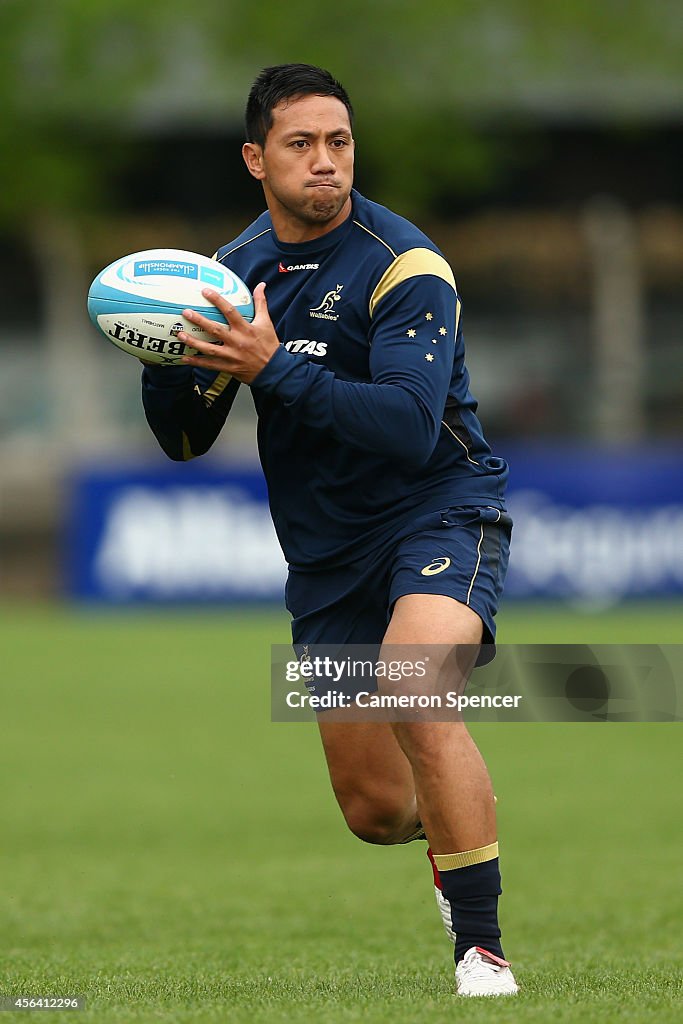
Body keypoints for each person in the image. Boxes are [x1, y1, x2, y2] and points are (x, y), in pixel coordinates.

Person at [141, 63, 518, 997]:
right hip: (326, 551)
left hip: (438, 507)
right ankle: (454, 825)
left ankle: (481, 950)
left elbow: (401, 427)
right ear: (255, 158)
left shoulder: (406, 265)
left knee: (415, 687)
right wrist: (165, 358)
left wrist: (268, 367)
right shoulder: (231, 277)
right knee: (376, 811)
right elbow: (186, 440)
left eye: (339, 142)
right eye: (301, 144)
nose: (325, 162)